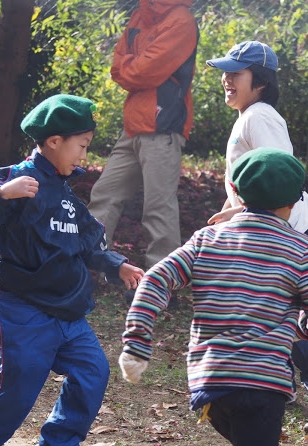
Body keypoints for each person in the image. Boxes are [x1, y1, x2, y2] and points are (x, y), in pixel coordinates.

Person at [118, 148, 308, 446]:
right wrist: (297, 329)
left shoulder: (206, 239)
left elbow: (156, 279)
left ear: (235, 193)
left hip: (211, 385)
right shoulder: (301, 248)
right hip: (262, 386)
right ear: (294, 202)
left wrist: (137, 344)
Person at [0, 94, 145, 446]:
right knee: (18, 385)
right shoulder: (16, 180)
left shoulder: (68, 197)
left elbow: (88, 245)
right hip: (20, 310)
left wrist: (117, 265)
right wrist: (1, 196)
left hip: (67, 313)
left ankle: (57, 444)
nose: (84, 156)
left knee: (92, 373)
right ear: (55, 141)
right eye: (82, 146)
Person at [205, 40, 308, 434]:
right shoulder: (249, 115)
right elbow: (253, 181)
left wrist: (239, 215)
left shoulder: (260, 117)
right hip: (260, 226)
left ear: (260, 82)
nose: (226, 80)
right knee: (268, 311)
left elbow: (276, 178)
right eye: (225, 73)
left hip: (281, 229)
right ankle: (275, 385)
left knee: (296, 316)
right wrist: (233, 217)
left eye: (235, 74)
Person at [87, 0, 198, 294]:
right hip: (133, 127)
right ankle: (86, 271)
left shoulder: (181, 20)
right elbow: (119, 65)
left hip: (163, 129)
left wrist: (130, 66)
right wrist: (131, 66)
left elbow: (145, 71)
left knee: (158, 208)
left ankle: (161, 287)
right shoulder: (140, 15)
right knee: (104, 195)